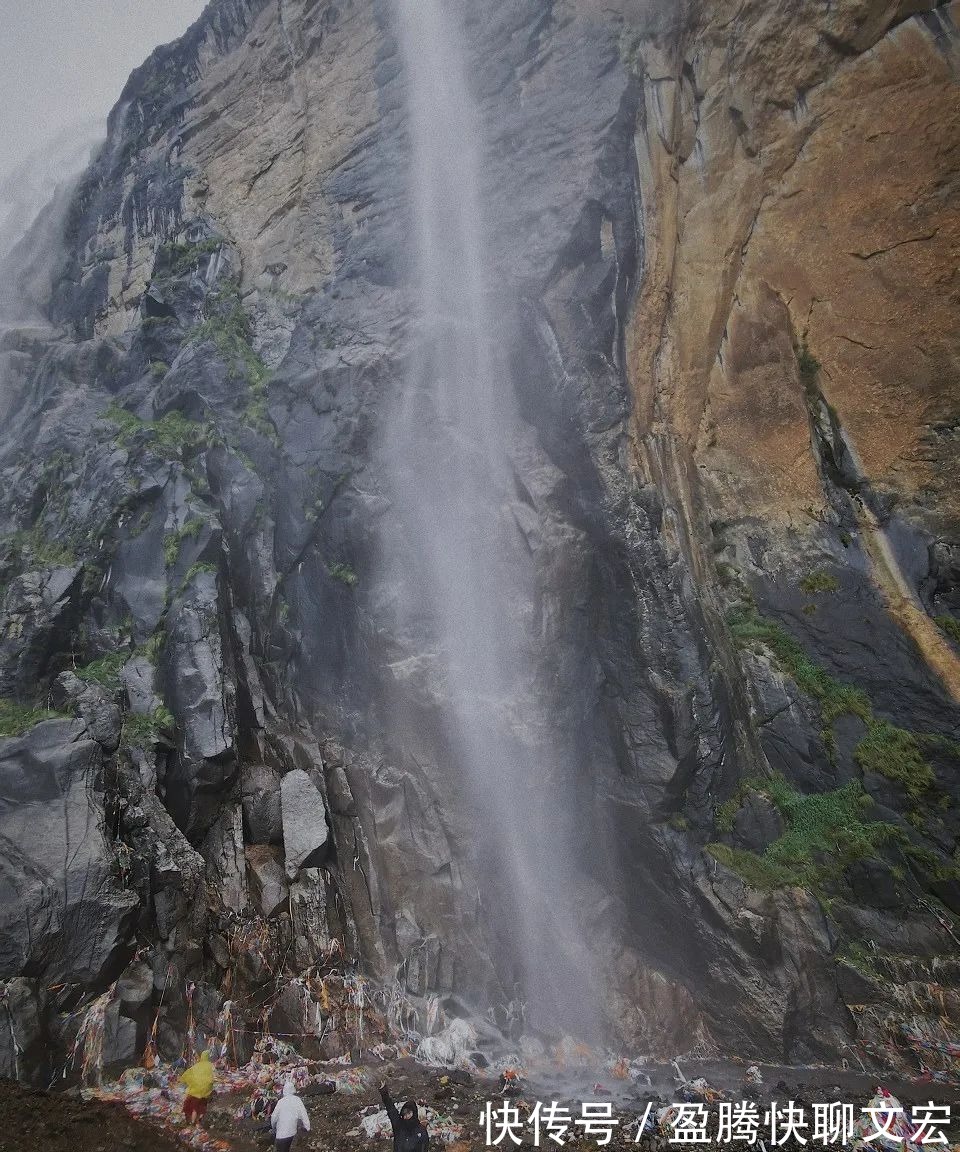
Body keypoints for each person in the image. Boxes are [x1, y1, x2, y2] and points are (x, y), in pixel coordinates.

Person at [380, 1080, 429, 1152]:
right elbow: (391, 1109)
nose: (407, 1116)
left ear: (414, 1113)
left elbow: (424, 1148)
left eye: (409, 1113)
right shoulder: (399, 1125)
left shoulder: (421, 1131)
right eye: (404, 1114)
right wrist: (384, 1092)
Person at [271, 1080, 311, 1152]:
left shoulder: (280, 1102)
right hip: (291, 1133)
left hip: (280, 1135)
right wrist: (307, 1127)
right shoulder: (297, 1100)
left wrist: (273, 1127)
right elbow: (303, 1114)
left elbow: (274, 1117)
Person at [178, 1049, 215, 1126]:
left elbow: (187, 1074)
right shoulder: (211, 1066)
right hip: (205, 1091)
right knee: (201, 1107)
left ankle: (192, 1122)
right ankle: (198, 1120)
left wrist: (182, 1080)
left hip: (195, 1090)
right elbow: (213, 1077)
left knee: (194, 1107)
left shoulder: (196, 1065)